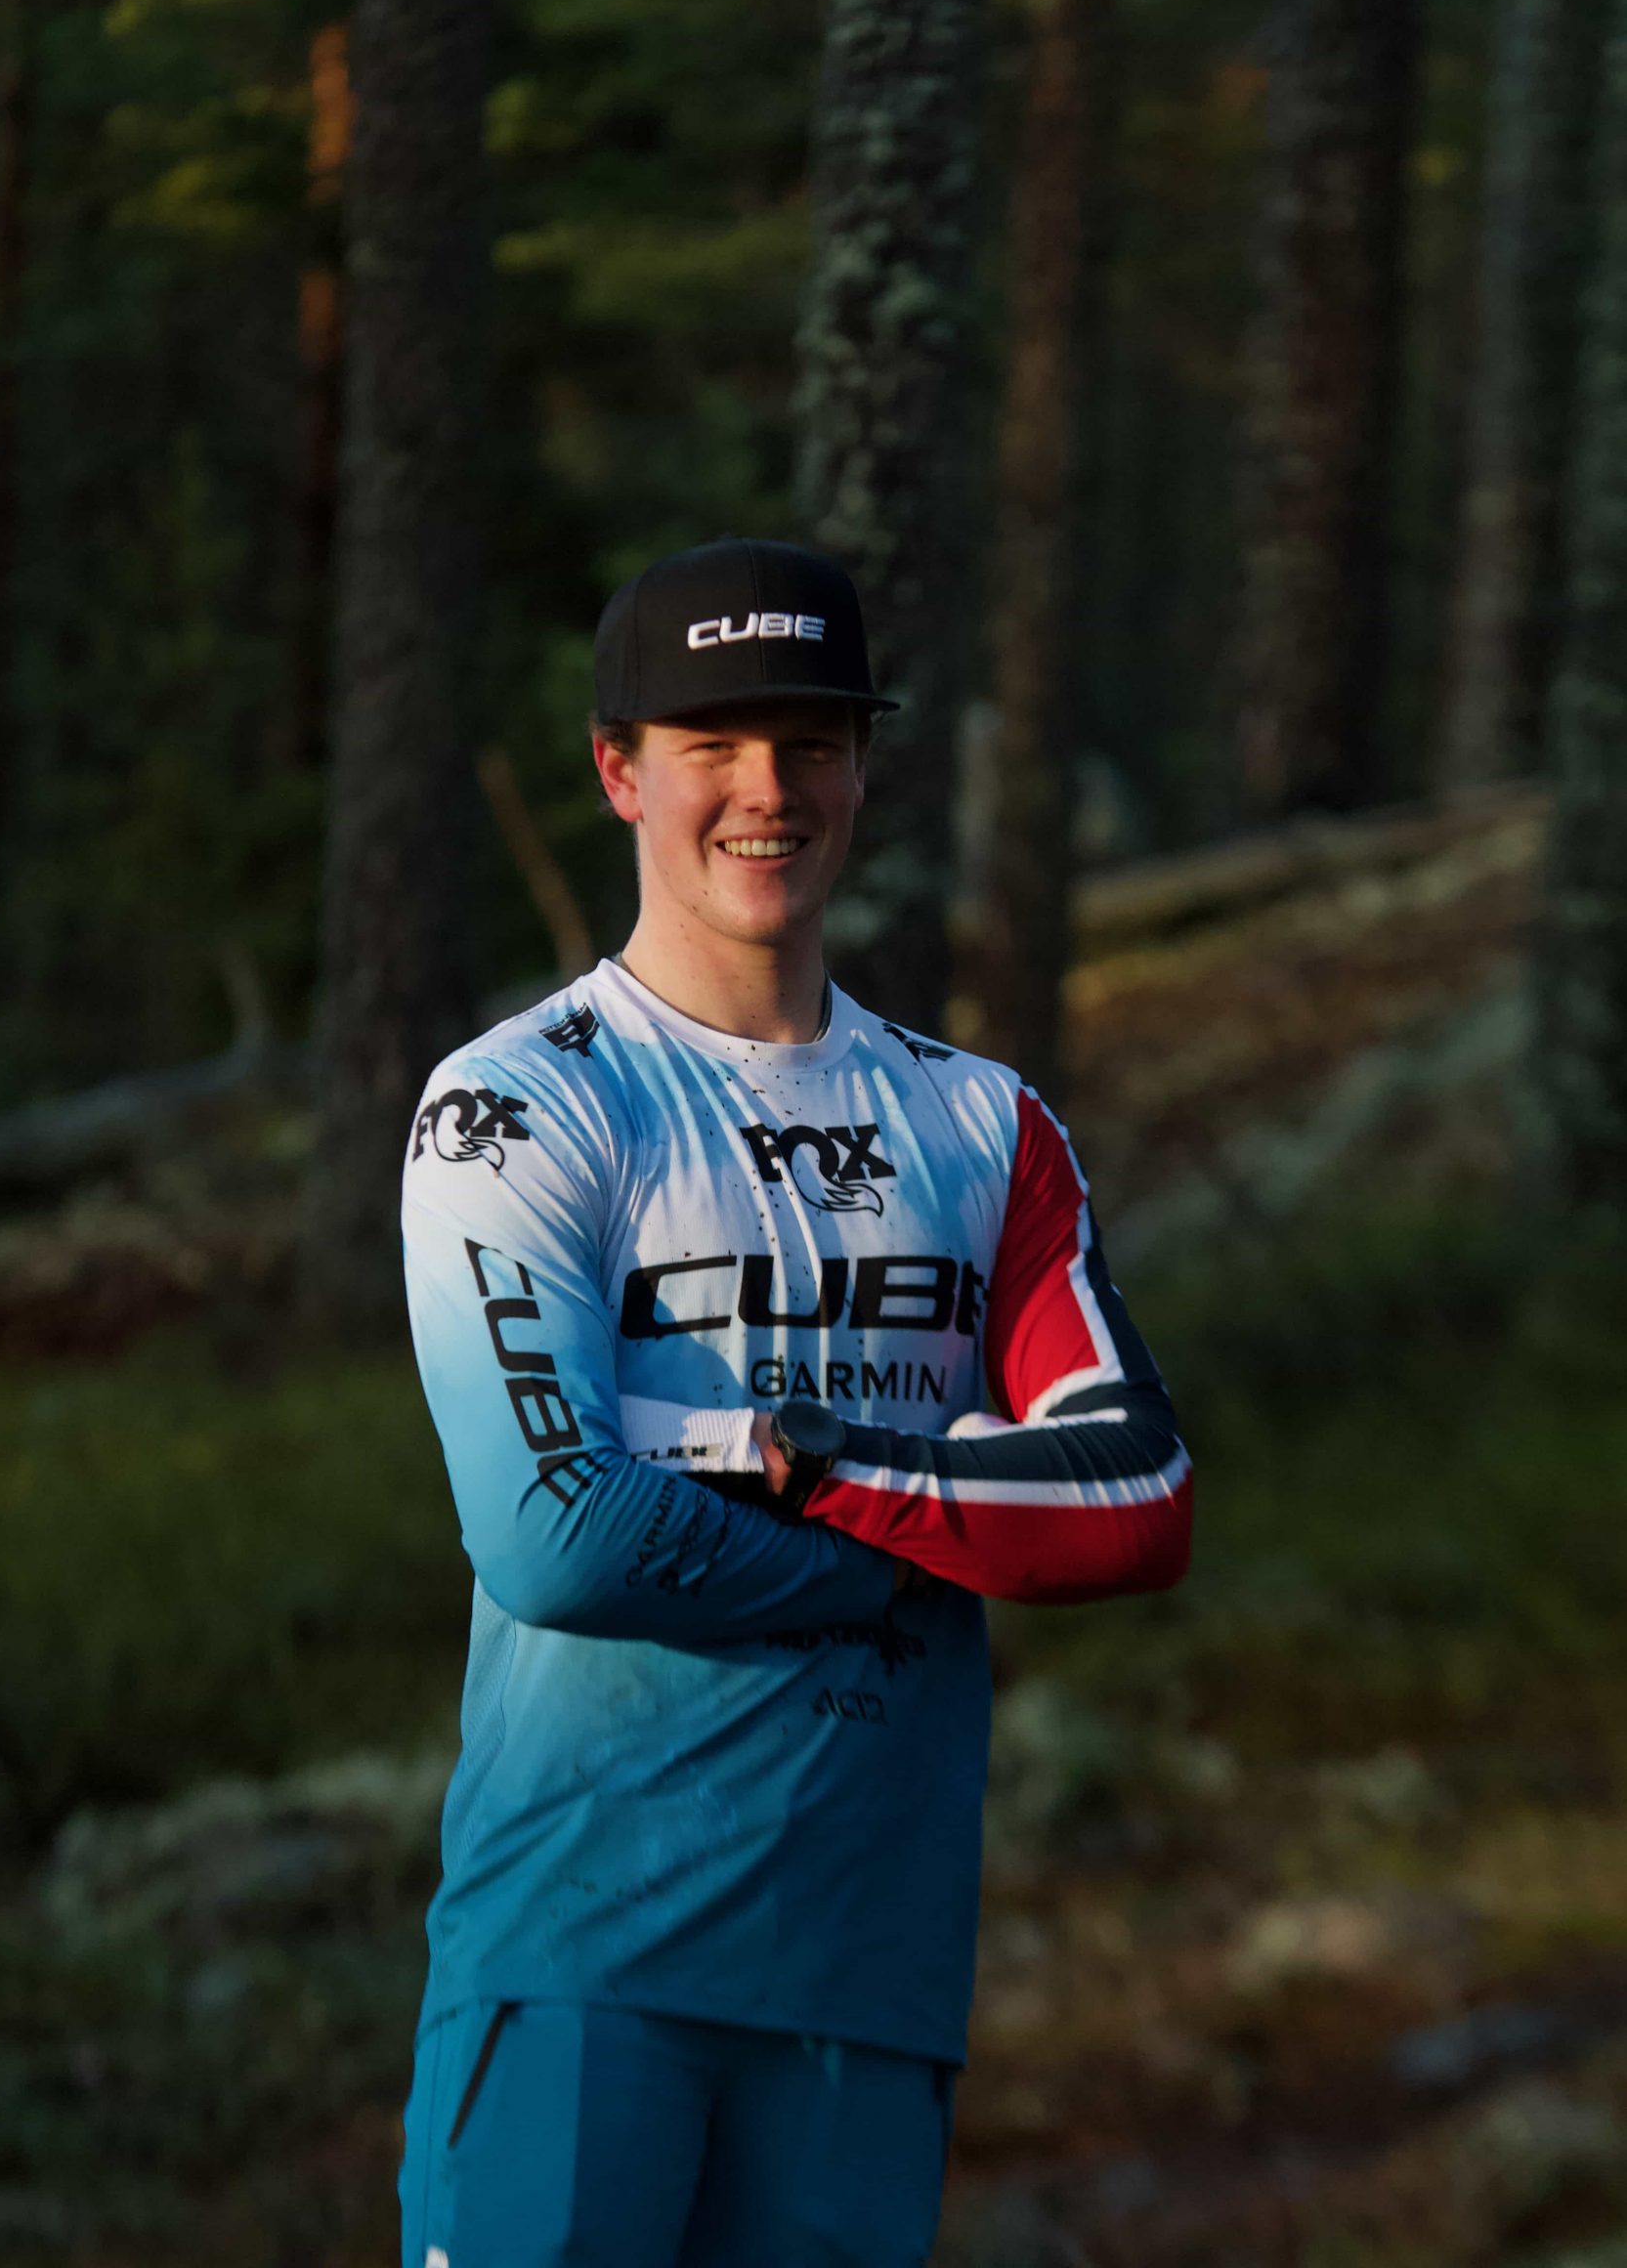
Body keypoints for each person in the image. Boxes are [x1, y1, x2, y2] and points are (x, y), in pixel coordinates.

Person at [397, 538, 1192, 2268]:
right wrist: (922, 1548)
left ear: (863, 765)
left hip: (871, 1973)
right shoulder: (515, 1108)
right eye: (715, 746)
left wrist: (797, 1459)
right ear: (619, 773)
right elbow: (558, 1537)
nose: (770, 791)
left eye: (814, 742)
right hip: (584, 1951)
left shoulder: (988, 1127)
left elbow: (1135, 1501)